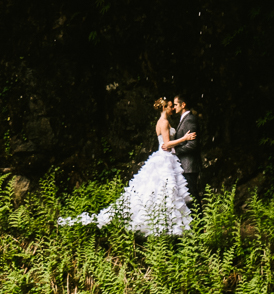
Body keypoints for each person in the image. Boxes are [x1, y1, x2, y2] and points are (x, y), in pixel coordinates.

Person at [60, 98, 193, 235]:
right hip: (165, 158)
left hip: (165, 157)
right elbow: (166, 144)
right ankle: (163, 224)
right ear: (165, 108)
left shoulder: (162, 122)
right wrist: (185, 139)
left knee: (163, 190)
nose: (172, 109)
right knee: (163, 189)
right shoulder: (164, 122)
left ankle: (166, 222)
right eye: (170, 106)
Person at [172, 95, 202, 202]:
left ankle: (200, 218)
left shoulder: (189, 120)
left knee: (192, 195)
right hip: (185, 165)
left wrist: (175, 151)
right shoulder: (184, 119)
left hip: (189, 165)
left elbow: (192, 144)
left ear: (183, 104)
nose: (173, 107)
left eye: (175, 104)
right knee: (189, 197)